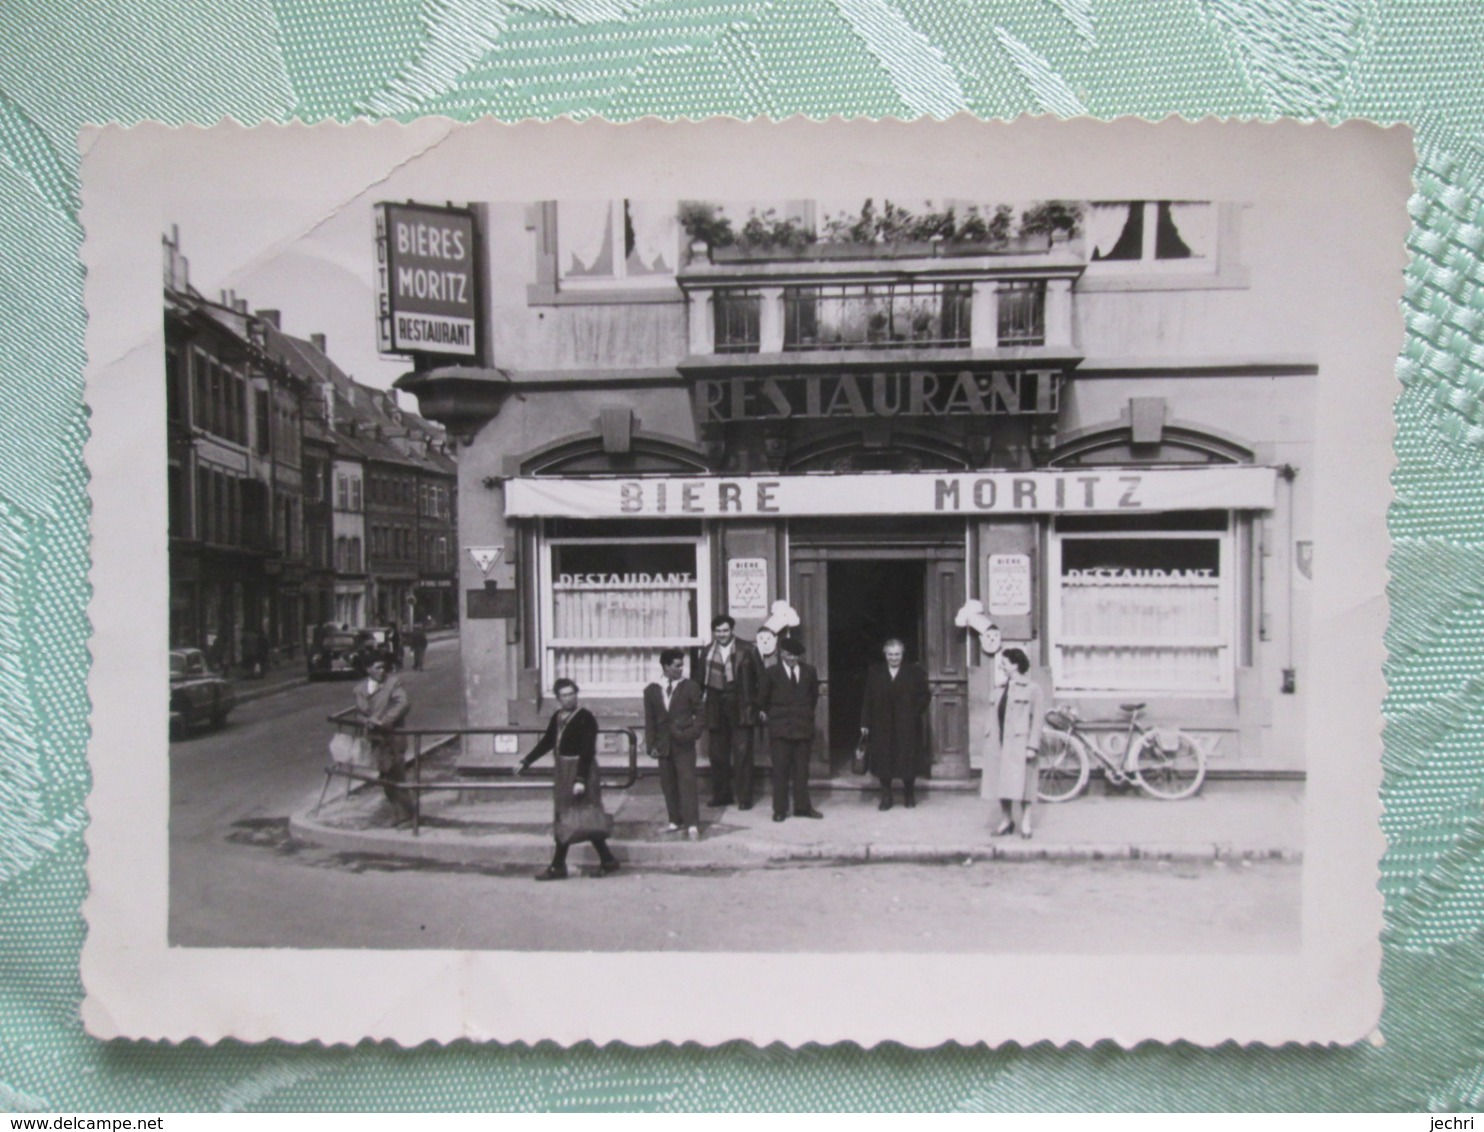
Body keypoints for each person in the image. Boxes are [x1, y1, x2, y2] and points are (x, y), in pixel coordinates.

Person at [514, 678, 620, 880]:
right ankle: (607, 860)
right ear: (557, 699)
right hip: (562, 769)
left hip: (582, 769)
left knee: (580, 815)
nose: (569, 698)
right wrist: (526, 761)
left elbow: (588, 750)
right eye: (565, 695)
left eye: (572, 694)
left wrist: (580, 779)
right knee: (570, 815)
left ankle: (558, 866)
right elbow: (546, 742)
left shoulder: (586, 717)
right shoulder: (557, 717)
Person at [692, 614, 762, 810]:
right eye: (718, 631)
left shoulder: (747, 649)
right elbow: (698, 683)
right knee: (718, 756)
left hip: (741, 707)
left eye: (725, 631)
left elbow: (761, 680)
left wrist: (756, 705)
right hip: (716, 708)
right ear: (714, 632)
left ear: (732, 630)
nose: (721, 635)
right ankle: (722, 796)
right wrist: (695, 707)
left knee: (743, 755)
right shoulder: (706, 652)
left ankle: (745, 798)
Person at [859, 638, 932, 810]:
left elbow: (925, 696)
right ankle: (887, 796)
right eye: (890, 654)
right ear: (885, 654)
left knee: (908, 759)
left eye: (897, 654)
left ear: (902, 654)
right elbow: (868, 698)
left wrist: (914, 712)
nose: (894, 658)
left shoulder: (914, 671)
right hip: (881, 724)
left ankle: (909, 793)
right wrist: (865, 722)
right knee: (884, 759)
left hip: (907, 724)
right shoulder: (875, 672)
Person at [756, 634, 822, 822]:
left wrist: (803, 715)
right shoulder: (771, 673)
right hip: (780, 730)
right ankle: (780, 809)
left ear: (799, 656)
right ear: (781, 653)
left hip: (802, 728)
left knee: (802, 770)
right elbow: (763, 700)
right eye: (787, 654)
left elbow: (813, 698)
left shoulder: (809, 671)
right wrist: (776, 717)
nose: (791, 658)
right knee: (780, 771)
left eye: (795, 655)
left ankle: (803, 807)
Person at [983, 647, 1045, 839]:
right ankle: (1006, 820)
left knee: (1025, 784)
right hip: (999, 742)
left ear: (1016, 664)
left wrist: (1032, 746)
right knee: (1001, 784)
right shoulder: (999, 689)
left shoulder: (1033, 689)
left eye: (1005, 662)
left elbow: (1037, 720)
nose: (1002, 665)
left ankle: (1025, 822)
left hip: (1020, 744)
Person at [643, 648, 705, 840]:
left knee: (687, 783)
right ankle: (675, 820)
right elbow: (650, 720)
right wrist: (651, 745)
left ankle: (692, 824)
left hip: (684, 744)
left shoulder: (690, 687)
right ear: (665, 666)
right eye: (677, 666)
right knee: (668, 784)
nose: (681, 669)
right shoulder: (652, 690)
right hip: (663, 744)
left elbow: (701, 714)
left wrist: (692, 733)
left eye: (682, 665)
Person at [354, 652, 414, 826]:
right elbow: (360, 711)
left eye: (383, 667)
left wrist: (384, 721)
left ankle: (407, 815)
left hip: (393, 736)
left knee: (396, 774)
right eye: (377, 667)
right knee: (385, 776)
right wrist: (364, 720)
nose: (382, 671)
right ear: (368, 669)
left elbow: (403, 703)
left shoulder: (392, 683)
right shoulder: (360, 688)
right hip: (376, 738)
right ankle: (399, 813)